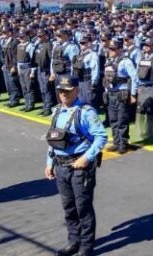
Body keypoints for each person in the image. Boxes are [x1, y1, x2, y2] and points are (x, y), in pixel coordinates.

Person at [44, 75, 107, 256]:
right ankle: (74, 241)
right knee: (69, 207)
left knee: (83, 207)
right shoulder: (56, 111)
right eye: (61, 91)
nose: (64, 94)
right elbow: (53, 138)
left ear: (76, 91)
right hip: (61, 166)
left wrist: (87, 158)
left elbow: (101, 137)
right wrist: (49, 163)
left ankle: (86, 247)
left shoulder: (86, 112)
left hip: (79, 167)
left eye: (68, 91)